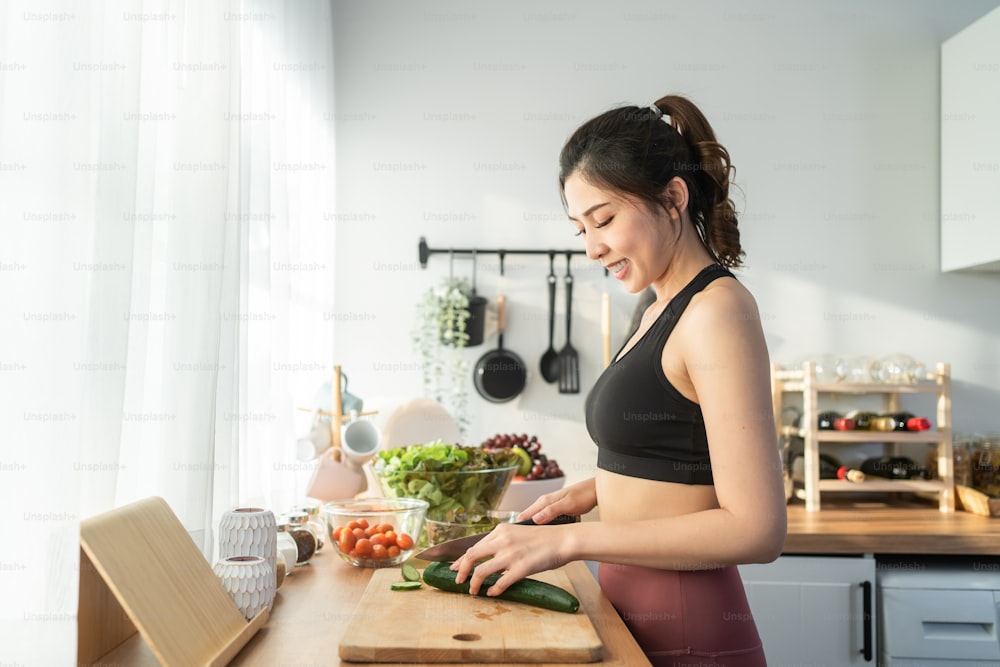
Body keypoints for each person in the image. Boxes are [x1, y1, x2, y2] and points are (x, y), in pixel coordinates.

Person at [452, 95, 788, 667]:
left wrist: (568, 540)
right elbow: (675, 456)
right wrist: (589, 492)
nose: (592, 247)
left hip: (688, 632)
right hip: (630, 612)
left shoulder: (716, 311)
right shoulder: (658, 304)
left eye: (604, 219)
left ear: (673, 198)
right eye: (581, 227)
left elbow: (756, 529)